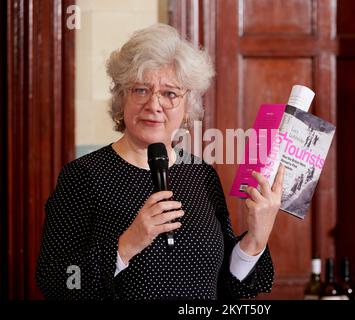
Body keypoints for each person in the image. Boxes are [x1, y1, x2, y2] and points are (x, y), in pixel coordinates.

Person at [36, 23, 284, 300]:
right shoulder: (84, 176)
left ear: (187, 106)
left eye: (169, 93)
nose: (154, 105)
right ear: (122, 97)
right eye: (141, 90)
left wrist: (256, 238)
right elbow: (57, 282)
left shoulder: (201, 174)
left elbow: (227, 288)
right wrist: (127, 244)